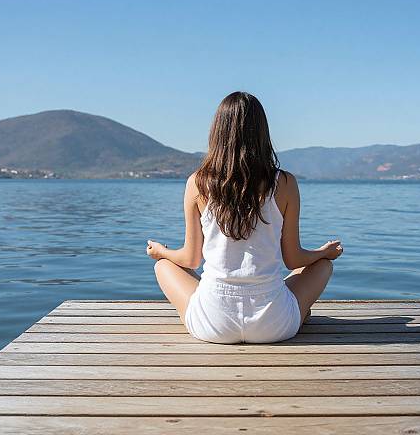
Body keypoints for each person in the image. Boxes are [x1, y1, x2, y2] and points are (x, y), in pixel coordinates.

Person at [146, 91, 343, 344]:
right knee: (322, 266)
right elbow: (294, 259)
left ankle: (193, 315)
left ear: (217, 132)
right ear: (262, 133)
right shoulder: (284, 183)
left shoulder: (197, 183)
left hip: (213, 323)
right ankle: (298, 312)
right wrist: (323, 253)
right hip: (274, 324)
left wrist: (161, 252)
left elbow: (191, 259)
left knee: (164, 266)